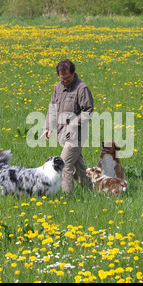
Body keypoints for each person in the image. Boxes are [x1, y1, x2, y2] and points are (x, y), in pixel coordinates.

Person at [41, 60, 94, 194]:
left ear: (73, 74)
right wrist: (48, 127)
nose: (65, 81)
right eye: (62, 79)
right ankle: (93, 191)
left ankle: (68, 197)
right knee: (79, 169)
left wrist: (73, 123)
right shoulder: (58, 87)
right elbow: (52, 109)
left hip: (76, 135)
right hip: (63, 134)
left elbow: (88, 111)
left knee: (64, 165)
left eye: (68, 78)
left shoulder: (81, 88)